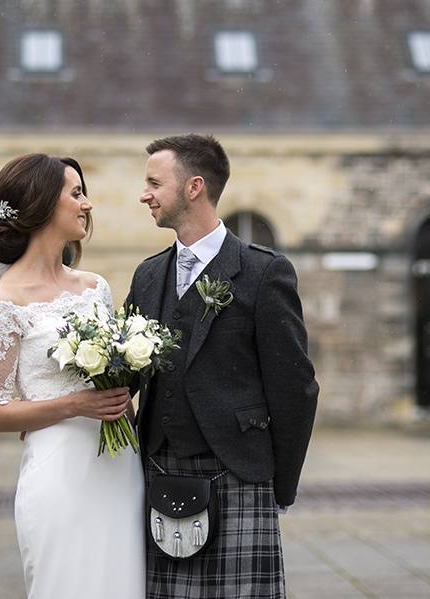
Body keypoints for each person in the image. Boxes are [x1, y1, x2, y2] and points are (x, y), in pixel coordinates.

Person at [125, 134, 319, 598]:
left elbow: (295, 389)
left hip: (239, 472)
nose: (143, 194)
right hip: (159, 467)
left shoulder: (262, 272)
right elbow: (125, 366)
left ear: (194, 187)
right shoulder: (148, 274)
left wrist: (280, 486)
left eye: (154, 182)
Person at [0, 154, 145, 599]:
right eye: (76, 193)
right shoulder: (4, 305)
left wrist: (119, 394)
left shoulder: (95, 287)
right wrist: (74, 405)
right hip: (59, 471)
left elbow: (110, 373)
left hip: (119, 464)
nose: (87, 204)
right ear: (44, 204)